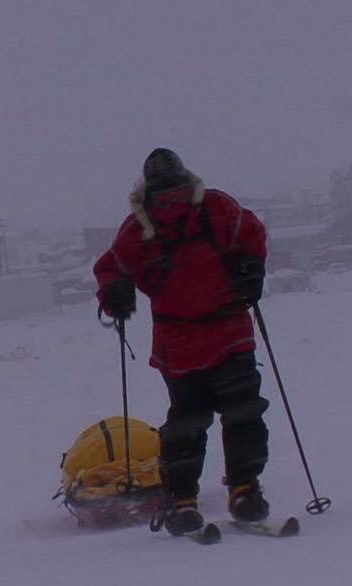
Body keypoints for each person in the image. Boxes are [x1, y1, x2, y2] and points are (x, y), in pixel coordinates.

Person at [93, 148, 271, 536]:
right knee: (196, 422)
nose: (171, 201)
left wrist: (251, 267)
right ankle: (189, 498)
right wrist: (116, 292)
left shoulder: (213, 209)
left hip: (222, 333)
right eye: (164, 195)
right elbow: (111, 269)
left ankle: (240, 489)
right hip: (187, 340)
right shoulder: (155, 224)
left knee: (237, 413)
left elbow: (252, 236)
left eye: (175, 192)